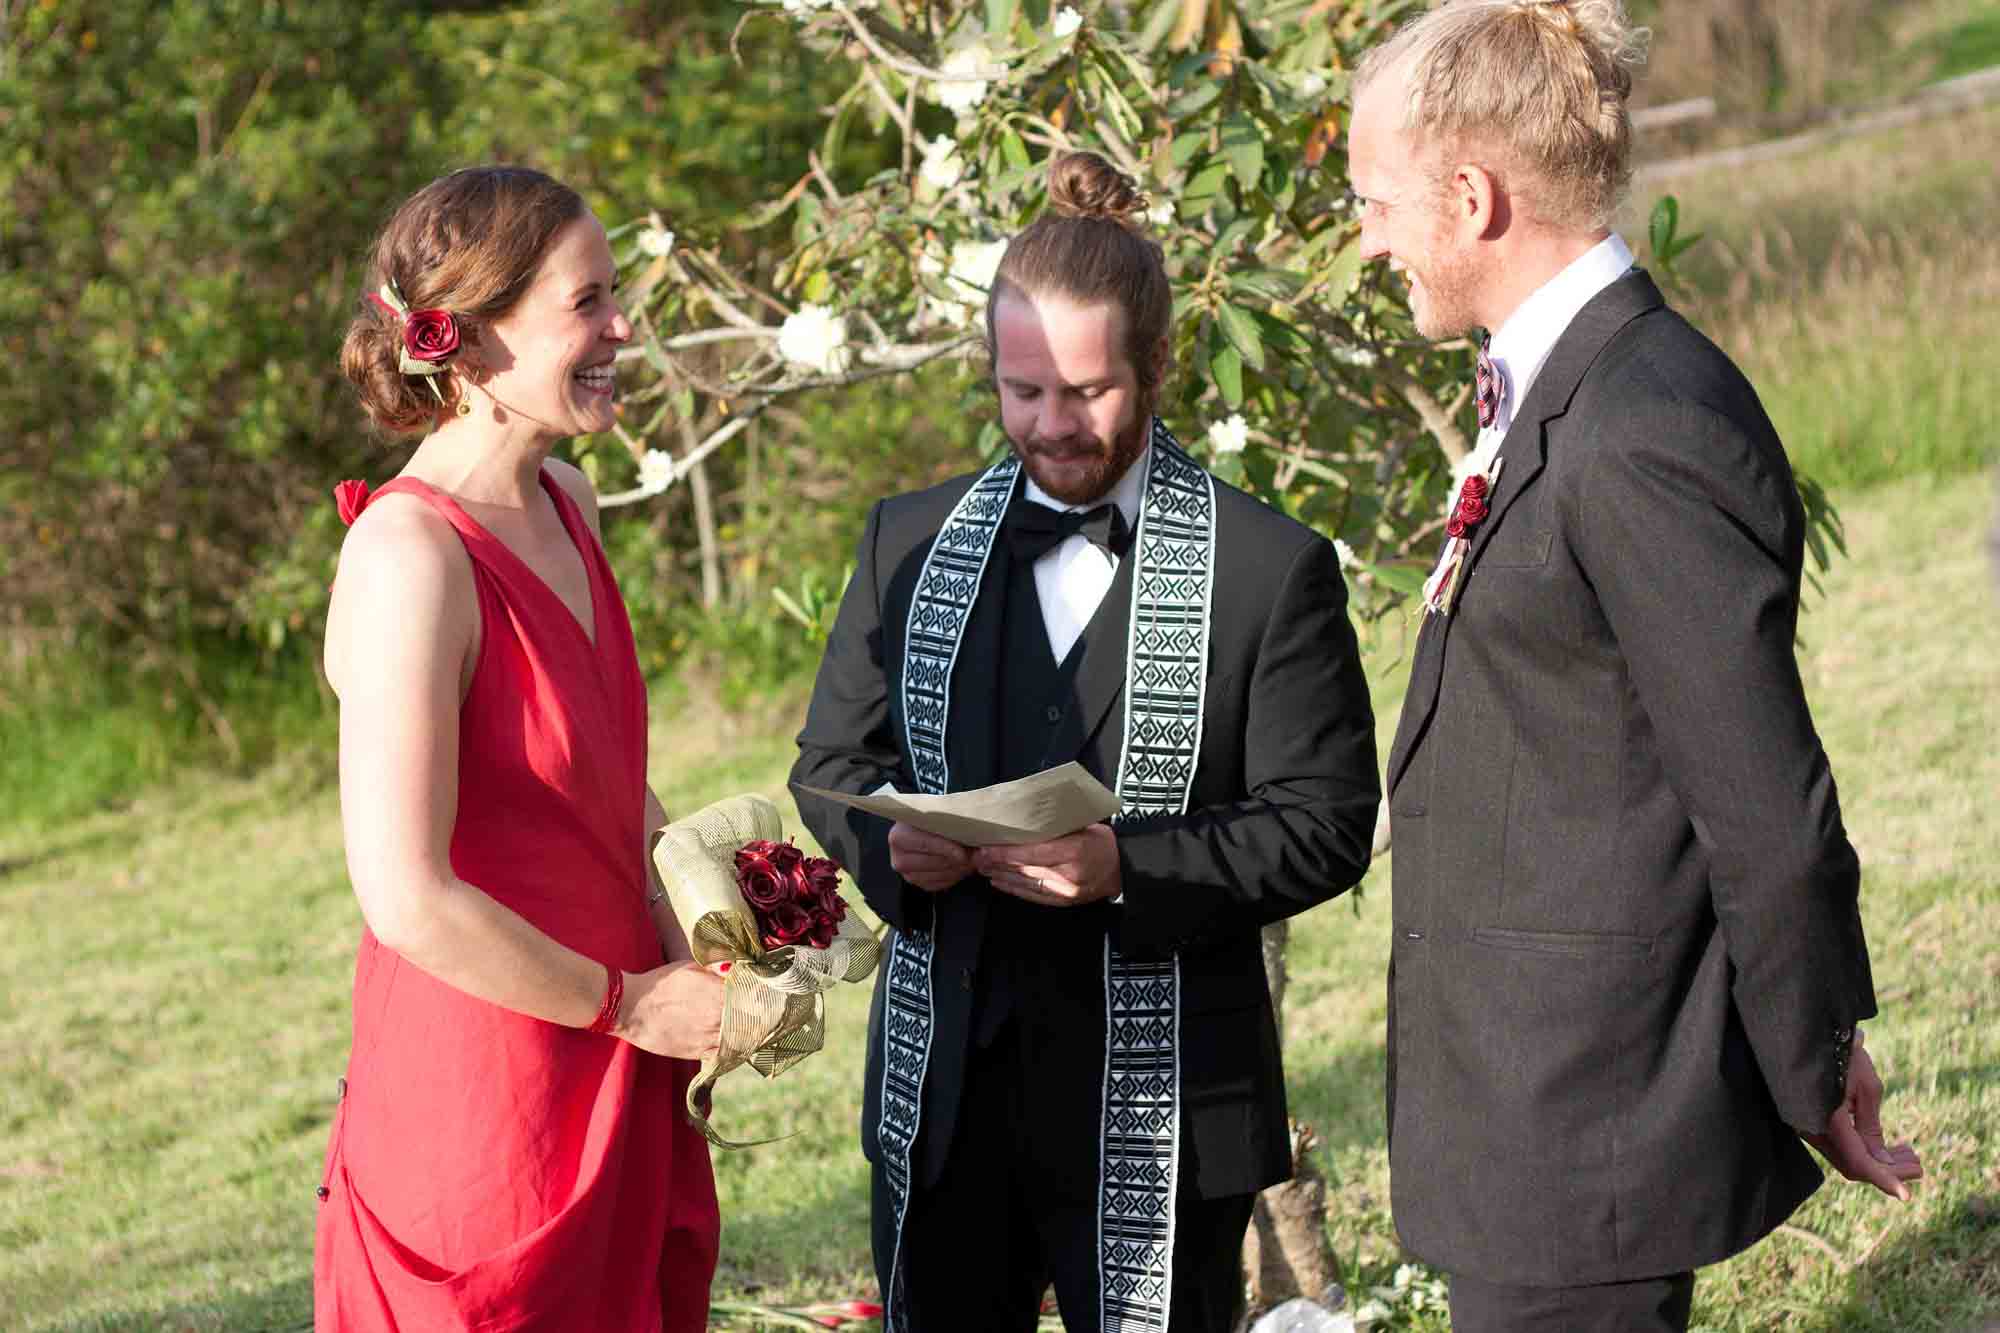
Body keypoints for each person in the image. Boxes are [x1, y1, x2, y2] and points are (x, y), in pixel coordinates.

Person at [1346, 3, 1924, 1329]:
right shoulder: (1560, 388)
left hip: (1588, 1117)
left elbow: (1765, 809)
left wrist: (1813, 1056)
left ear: (1474, 196)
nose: (1368, 237)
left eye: (1377, 200)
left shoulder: (1641, 423)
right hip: (1527, 1107)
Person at [789, 151, 1381, 1333]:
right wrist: (885, 841)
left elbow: (1324, 823)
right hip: (943, 1088)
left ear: (1157, 366)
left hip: (1171, 1111)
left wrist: (1130, 868)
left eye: (1088, 392)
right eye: (1022, 393)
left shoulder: (1269, 568)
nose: (1051, 426)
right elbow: (833, 767)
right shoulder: (905, 542)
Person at [315, 165, 724, 1331]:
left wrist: (721, 914)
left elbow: (599, 785)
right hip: (491, 1093)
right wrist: (631, 1005)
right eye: (586, 303)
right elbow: (408, 897)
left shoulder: (569, 503)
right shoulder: (409, 559)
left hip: (619, 1049)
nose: (621, 328)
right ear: (474, 335)